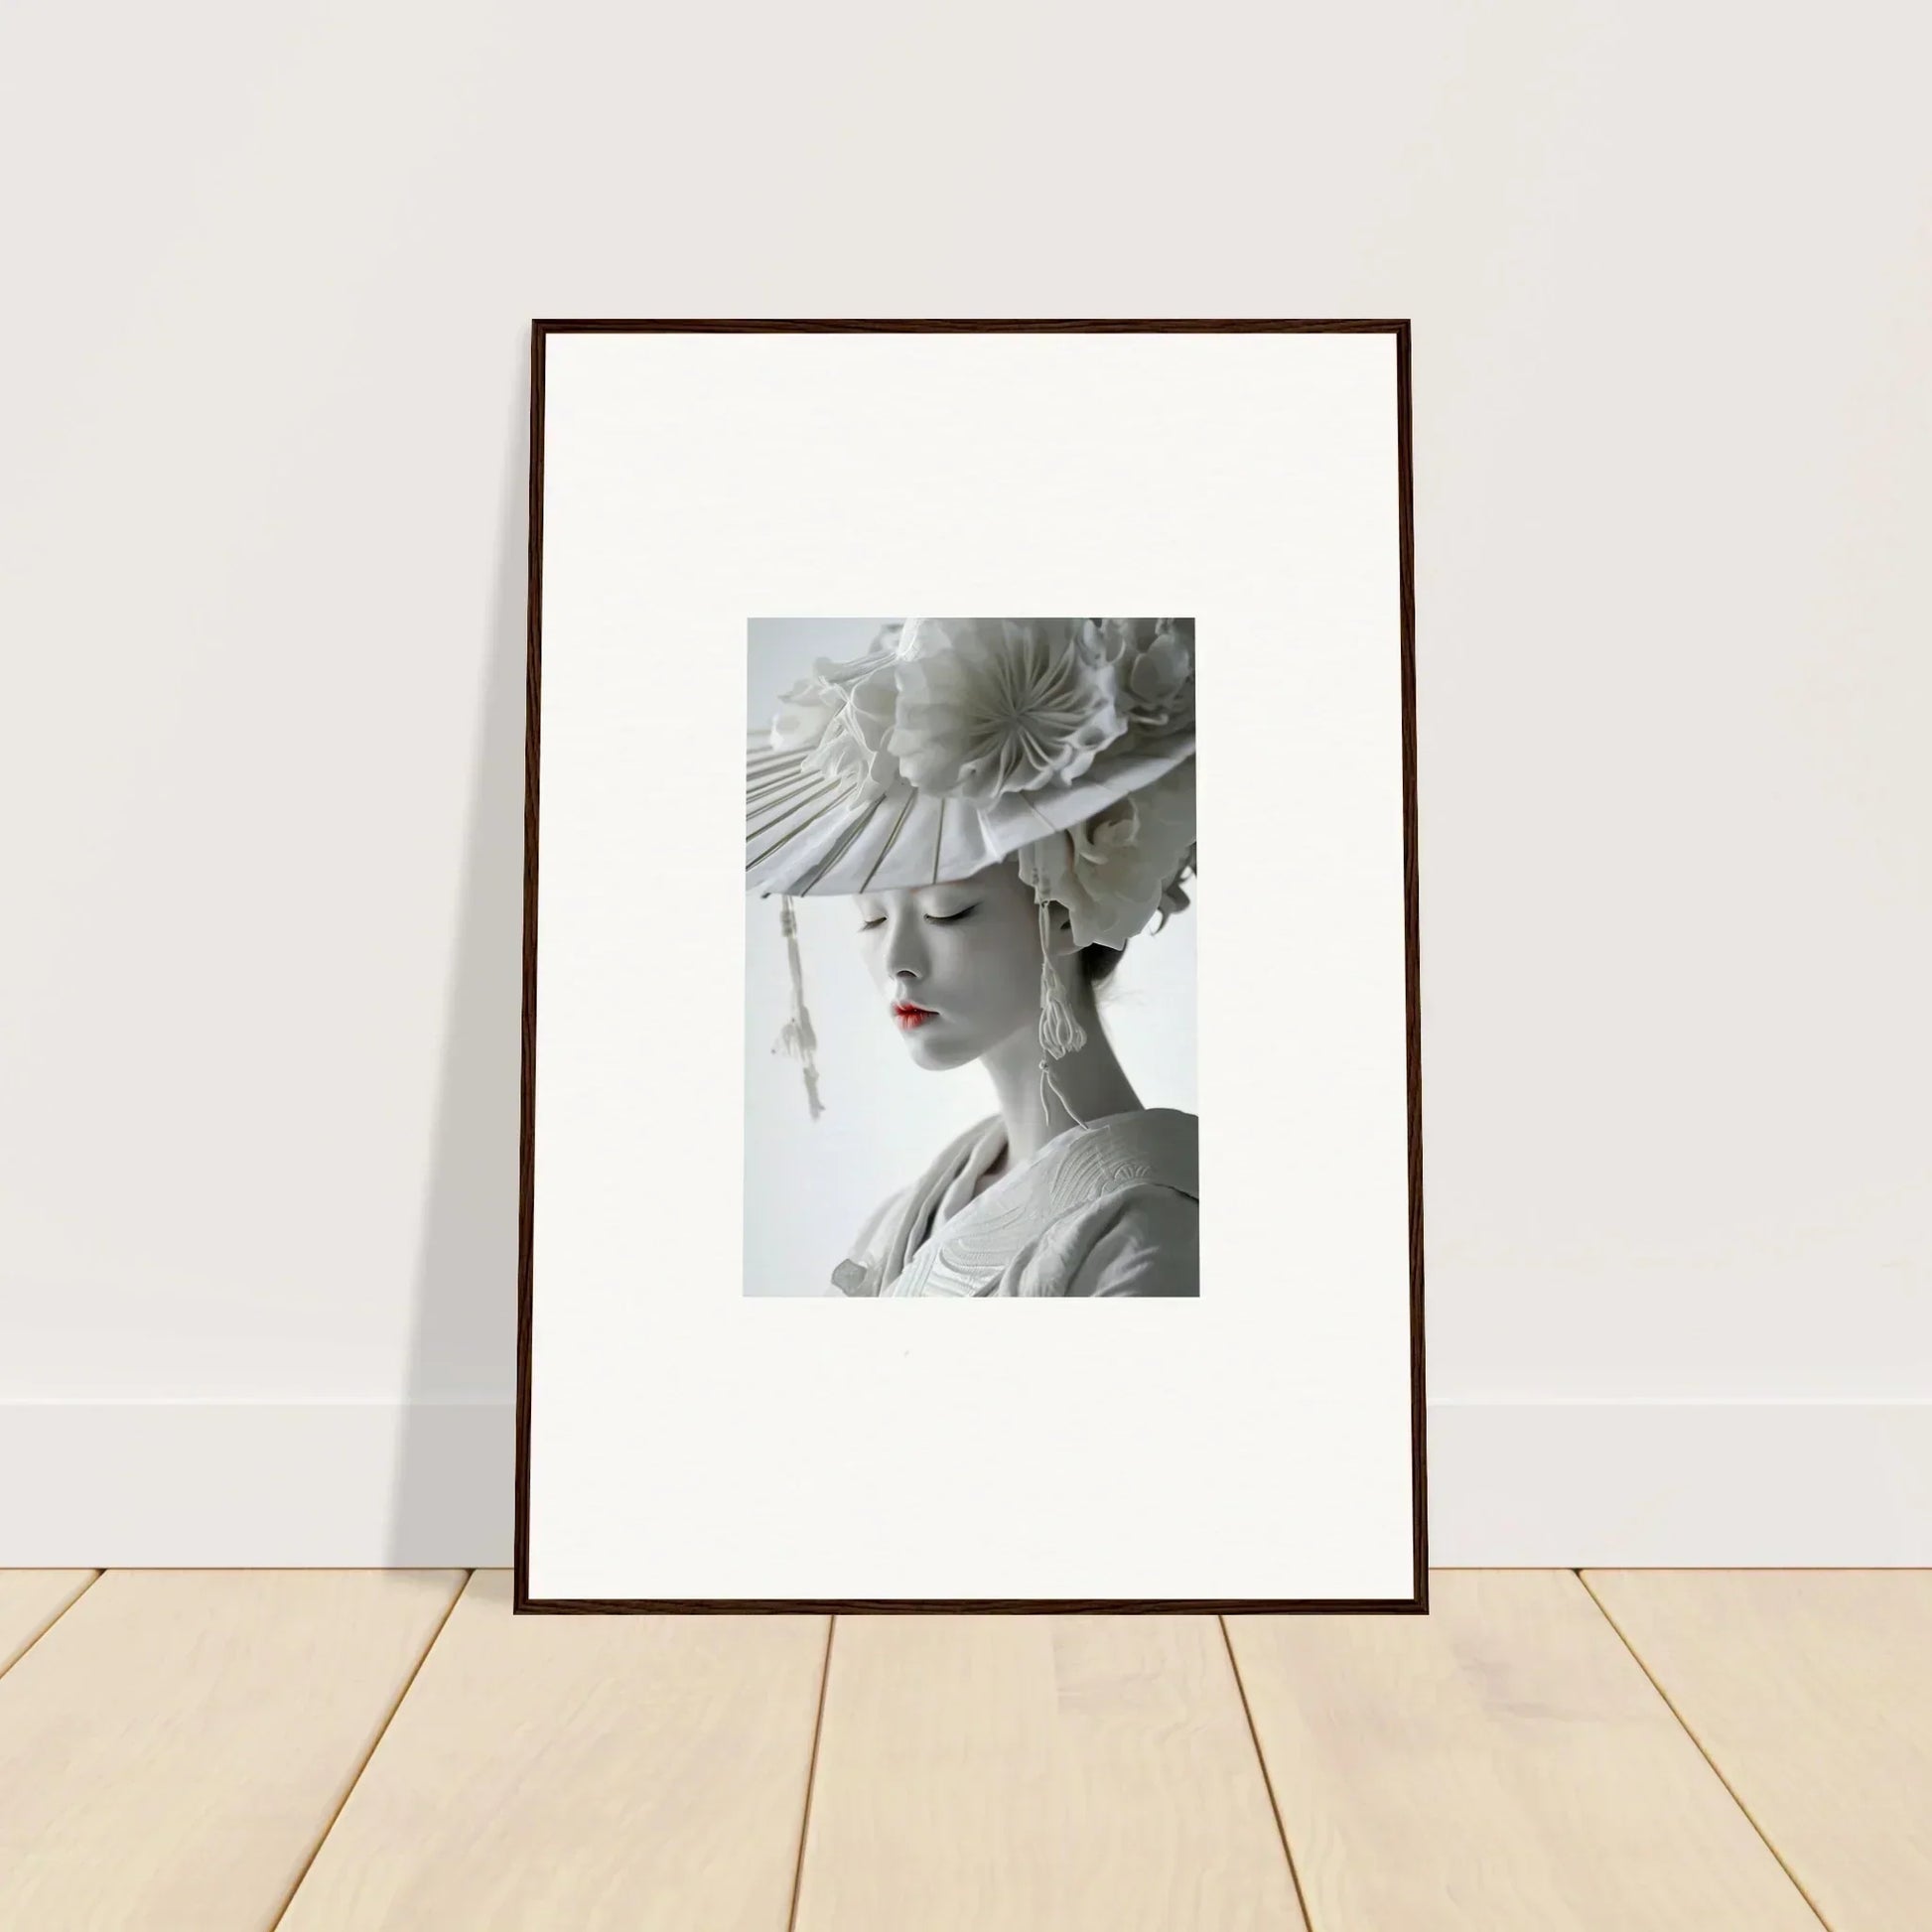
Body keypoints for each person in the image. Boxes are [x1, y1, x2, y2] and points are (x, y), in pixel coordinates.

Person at [747, 617, 1198, 1298]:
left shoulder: (1148, 1234)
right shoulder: (912, 1211)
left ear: (1070, 906)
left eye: (946, 913)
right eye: (871, 918)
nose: (897, 960)